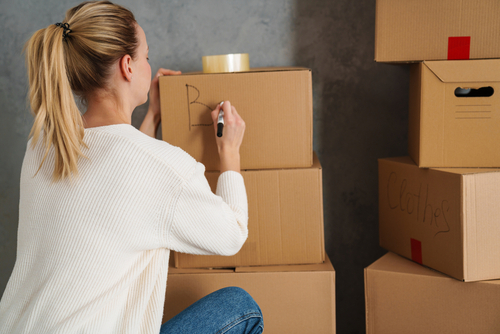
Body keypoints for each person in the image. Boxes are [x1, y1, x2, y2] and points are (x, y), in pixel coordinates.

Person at [0, 1, 264, 333]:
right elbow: (233, 234)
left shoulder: (42, 146)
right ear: (128, 65)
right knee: (241, 306)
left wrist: (151, 117)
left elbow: (118, 185)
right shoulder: (163, 168)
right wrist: (229, 152)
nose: (149, 66)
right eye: (147, 57)